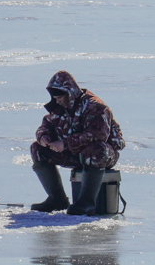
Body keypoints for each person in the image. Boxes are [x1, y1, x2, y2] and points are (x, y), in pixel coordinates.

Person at [30, 70, 125, 215]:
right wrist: (44, 137)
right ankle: (57, 199)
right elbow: (45, 126)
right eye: (54, 97)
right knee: (37, 148)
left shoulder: (95, 107)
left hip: (103, 155)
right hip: (75, 154)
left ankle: (87, 203)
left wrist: (65, 143)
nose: (57, 100)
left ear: (69, 93)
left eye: (60, 96)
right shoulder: (59, 107)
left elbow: (99, 135)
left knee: (95, 150)